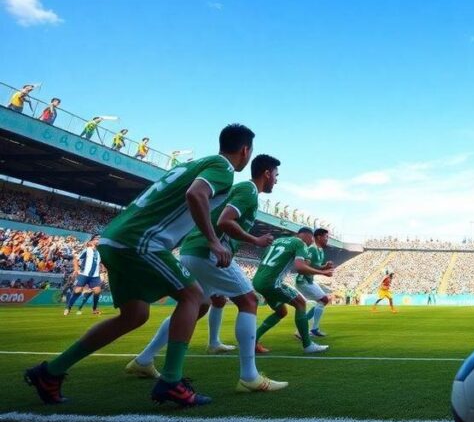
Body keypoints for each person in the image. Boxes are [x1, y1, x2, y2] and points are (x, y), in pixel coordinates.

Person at [25, 124, 254, 406]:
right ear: (245, 150)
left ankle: (50, 372)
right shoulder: (223, 167)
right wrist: (213, 241)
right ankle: (171, 381)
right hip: (141, 240)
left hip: (114, 238)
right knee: (194, 296)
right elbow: (196, 195)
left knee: (134, 315)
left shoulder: (190, 164)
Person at [126, 154, 285, 392]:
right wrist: (255, 239)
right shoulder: (249, 191)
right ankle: (249, 377)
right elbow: (224, 220)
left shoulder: (243, 190)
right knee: (249, 300)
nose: (276, 180)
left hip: (193, 250)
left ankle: (144, 359)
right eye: (276, 175)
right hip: (207, 252)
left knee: (197, 307)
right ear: (266, 173)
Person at [252, 229, 331, 354]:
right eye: (311, 240)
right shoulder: (300, 243)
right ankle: (308, 345)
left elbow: (267, 260)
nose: (311, 243)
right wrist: (323, 272)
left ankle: (253, 341)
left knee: (281, 312)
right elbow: (300, 268)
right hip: (273, 283)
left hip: (258, 281)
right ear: (308, 236)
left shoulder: (277, 241)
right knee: (300, 304)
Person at [294, 228, 334, 337]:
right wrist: (323, 272)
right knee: (324, 300)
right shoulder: (312, 249)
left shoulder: (320, 250)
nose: (327, 239)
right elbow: (305, 266)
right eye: (326, 237)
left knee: (323, 300)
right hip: (303, 281)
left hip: (309, 280)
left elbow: (314, 266)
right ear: (319, 237)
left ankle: (304, 329)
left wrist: (324, 267)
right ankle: (312, 329)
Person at [63, 235, 103, 317]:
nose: (98, 240)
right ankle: (68, 307)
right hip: (84, 274)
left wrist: (102, 269)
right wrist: (76, 269)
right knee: (78, 291)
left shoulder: (99, 252)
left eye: (99, 239)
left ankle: (94, 309)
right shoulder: (87, 250)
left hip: (95, 276)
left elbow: (99, 263)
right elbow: (75, 259)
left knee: (97, 291)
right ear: (91, 241)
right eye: (97, 239)